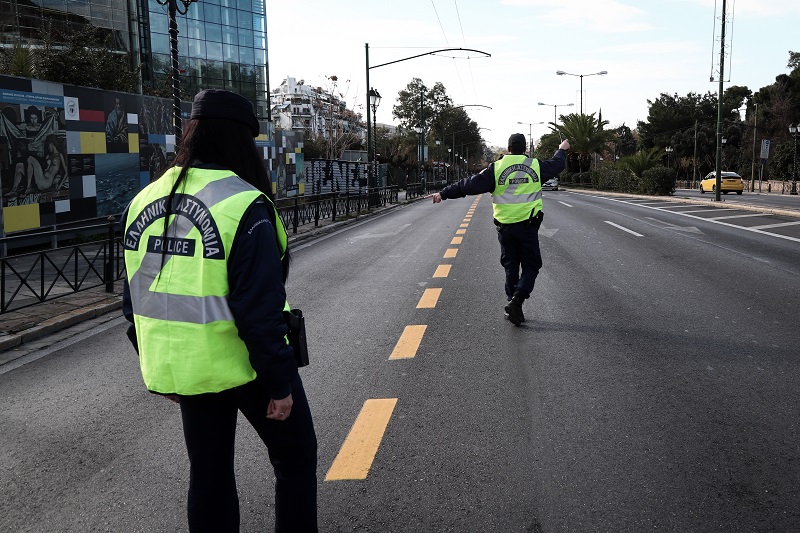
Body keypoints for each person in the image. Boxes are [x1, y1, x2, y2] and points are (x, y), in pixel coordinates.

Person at [121, 89, 318, 532]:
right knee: (296, 458)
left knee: (208, 475)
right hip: (247, 368)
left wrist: (162, 369)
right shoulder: (243, 203)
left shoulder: (143, 201)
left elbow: (133, 300)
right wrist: (280, 384)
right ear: (241, 142)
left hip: (190, 372)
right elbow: (259, 312)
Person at [428, 133, 570, 325]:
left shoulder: (496, 168)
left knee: (511, 266)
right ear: (525, 148)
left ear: (509, 149)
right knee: (531, 265)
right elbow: (556, 165)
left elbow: (468, 185)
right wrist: (561, 149)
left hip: (505, 228)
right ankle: (517, 301)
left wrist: (443, 194)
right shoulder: (534, 166)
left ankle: (513, 305)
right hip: (528, 227)